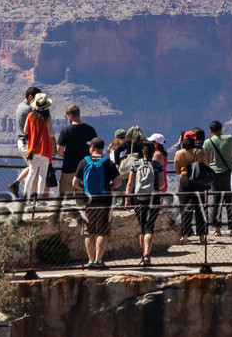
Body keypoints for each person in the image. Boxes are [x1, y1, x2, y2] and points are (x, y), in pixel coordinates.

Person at [74, 138, 118, 268]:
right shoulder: (108, 162)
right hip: (104, 201)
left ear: (93, 148)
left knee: (89, 231)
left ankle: (90, 260)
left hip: (89, 201)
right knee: (102, 232)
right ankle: (99, 261)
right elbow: (118, 182)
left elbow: (74, 183)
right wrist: (108, 185)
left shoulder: (84, 162)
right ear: (102, 148)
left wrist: (85, 189)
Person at [122, 139, 162, 268]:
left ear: (142, 152)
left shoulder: (135, 164)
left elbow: (130, 184)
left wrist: (127, 200)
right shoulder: (157, 165)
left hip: (138, 198)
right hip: (153, 198)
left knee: (142, 228)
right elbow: (161, 185)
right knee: (150, 227)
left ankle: (142, 255)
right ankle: (147, 254)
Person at [173, 129, 209, 240]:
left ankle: (185, 236)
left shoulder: (178, 154)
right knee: (200, 208)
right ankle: (202, 236)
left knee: (185, 209)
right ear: (195, 140)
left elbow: (178, 171)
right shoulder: (200, 152)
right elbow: (206, 166)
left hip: (185, 181)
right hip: (198, 181)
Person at [202, 121, 232, 230]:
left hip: (215, 175)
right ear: (221, 129)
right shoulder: (230, 138)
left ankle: (217, 229)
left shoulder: (207, 142)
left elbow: (207, 159)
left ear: (210, 130)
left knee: (217, 202)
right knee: (230, 201)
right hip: (229, 173)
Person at [22, 93, 55, 203]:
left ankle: (25, 199)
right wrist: (53, 134)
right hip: (44, 149)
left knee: (31, 173)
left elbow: (25, 131)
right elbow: (50, 134)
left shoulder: (30, 116)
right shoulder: (47, 117)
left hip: (32, 149)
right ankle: (40, 200)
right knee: (42, 175)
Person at [56, 103, 97, 179]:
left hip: (69, 168)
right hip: (86, 168)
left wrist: (68, 156)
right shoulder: (90, 130)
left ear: (70, 115)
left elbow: (59, 150)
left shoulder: (66, 131)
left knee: (66, 189)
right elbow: (96, 148)